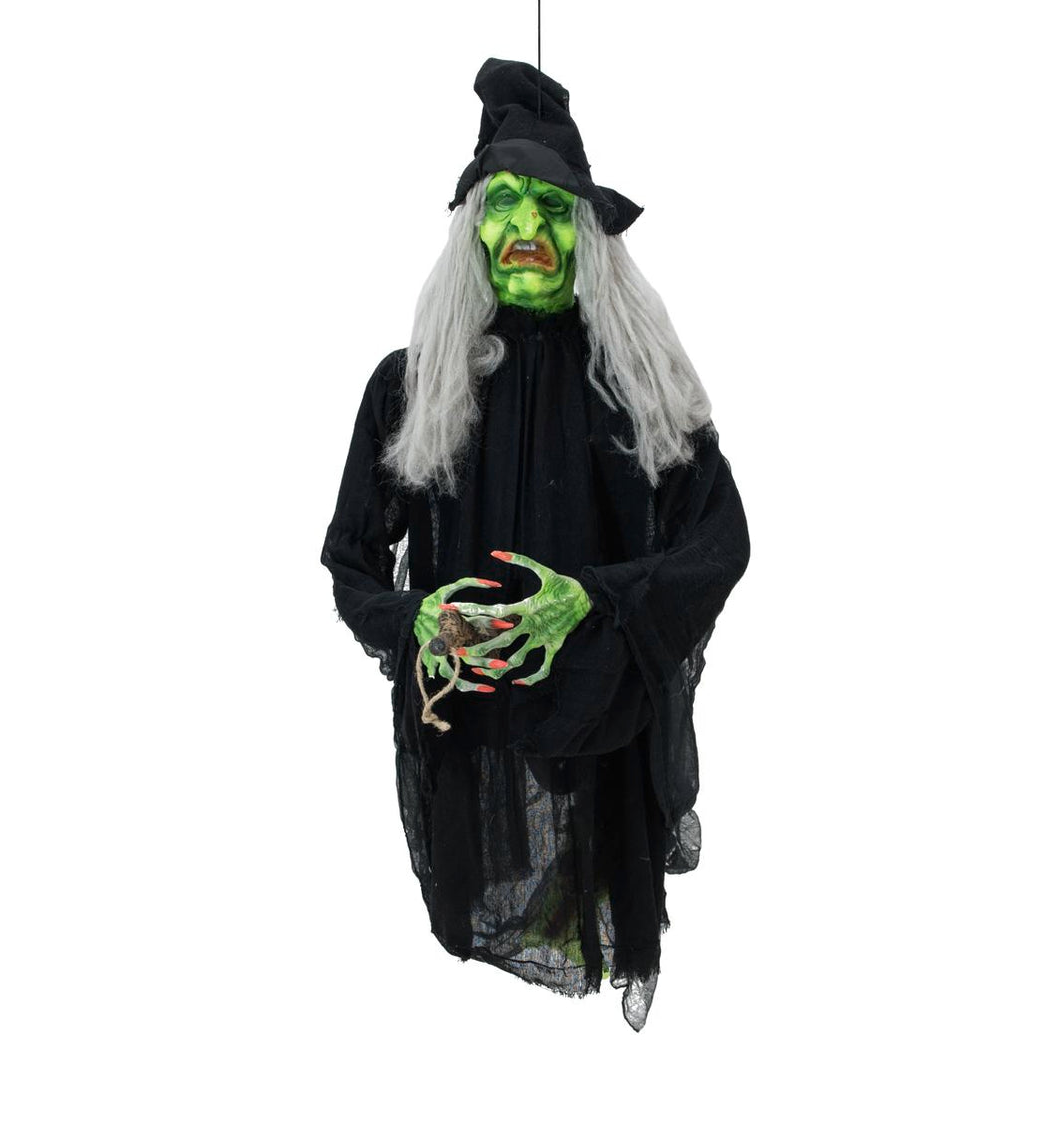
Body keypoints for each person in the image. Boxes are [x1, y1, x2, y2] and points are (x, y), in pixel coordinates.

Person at [321, 58, 750, 1030]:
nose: (525, 228)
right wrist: (416, 617)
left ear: (585, 235)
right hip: (468, 741)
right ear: (474, 229)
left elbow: (719, 542)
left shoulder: (639, 387)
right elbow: (350, 564)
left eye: (552, 207)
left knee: (596, 885)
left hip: (604, 730)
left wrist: (592, 599)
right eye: (503, 205)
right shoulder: (408, 389)